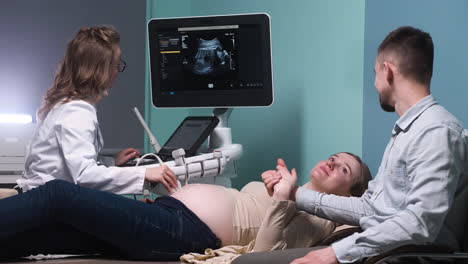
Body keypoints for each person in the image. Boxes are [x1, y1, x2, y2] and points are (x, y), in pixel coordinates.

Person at [237, 26, 468, 264]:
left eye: (375, 72)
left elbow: (421, 222)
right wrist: (295, 194)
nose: (376, 83)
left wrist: (336, 252)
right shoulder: (409, 131)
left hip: (400, 256)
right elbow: (371, 208)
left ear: (387, 71)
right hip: (378, 249)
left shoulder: (436, 132)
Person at [0, 152, 370, 261]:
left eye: (344, 169)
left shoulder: (320, 223)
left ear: (351, 194)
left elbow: (262, 255)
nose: (333, 162)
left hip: (183, 234)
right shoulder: (278, 182)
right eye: (334, 156)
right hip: (165, 214)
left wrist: (283, 203)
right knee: (39, 237)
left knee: (58, 196)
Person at [16, 25, 174, 195]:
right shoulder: (76, 112)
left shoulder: (65, 105)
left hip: (44, 199)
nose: (117, 72)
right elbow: (84, 175)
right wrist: (144, 173)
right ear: (100, 70)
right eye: (115, 65)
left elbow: (67, 164)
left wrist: (110, 162)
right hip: (47, 205)